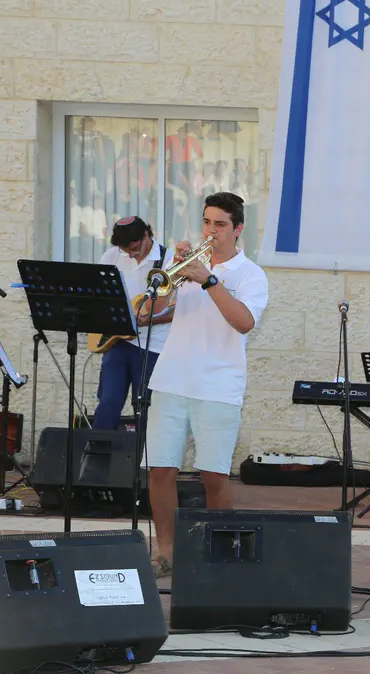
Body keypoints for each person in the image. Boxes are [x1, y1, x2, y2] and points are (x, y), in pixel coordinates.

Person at [144, 192, 269, 577]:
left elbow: (243, 322)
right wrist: (173, 274)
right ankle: (166, 551)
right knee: (160, 470)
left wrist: (209, 280)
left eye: (220, 224)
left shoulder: (250, 274)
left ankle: (220, 555)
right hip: (171, 378)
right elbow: (150, 311)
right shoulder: (186, 264)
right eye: (207, 222)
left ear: (237, 229)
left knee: (213, 475)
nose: (211, 231)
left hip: (218, 385)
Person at [92, 216, 172, 431]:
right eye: (126, 250)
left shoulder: (168, 261)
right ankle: (99, 449)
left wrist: (149, 320)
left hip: (152, 346)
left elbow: (179, 310)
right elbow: (98, 295)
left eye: (135, 248)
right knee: (108, 401)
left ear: (146, 235)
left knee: (145, 407)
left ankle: (146, 453)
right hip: (117, 342)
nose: (131, 254)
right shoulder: (112, 256)